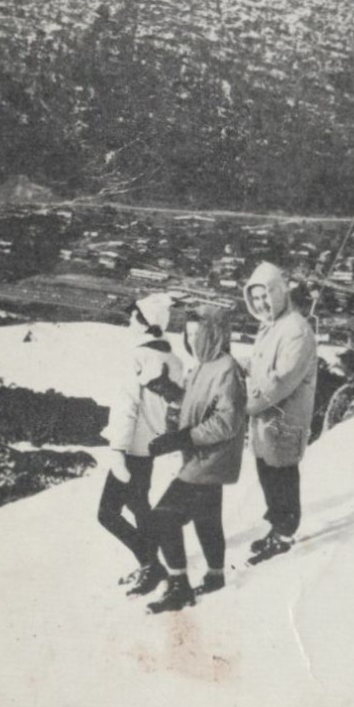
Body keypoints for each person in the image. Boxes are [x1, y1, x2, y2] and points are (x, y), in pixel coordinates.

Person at [142, 305, 247, 613]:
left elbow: (227, 422)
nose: (191, 339)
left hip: (212, 458)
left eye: (197, 333)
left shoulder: (227, 369)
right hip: (202, 455)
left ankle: (179, 586)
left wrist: (183, 438)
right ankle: (215, 576)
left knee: (162, 517)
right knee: (206, 517)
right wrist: (168, 391)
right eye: (187, 334)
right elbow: (192, 402)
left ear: (214, 334)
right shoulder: (203, 366)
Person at [98, 293, 184, 588]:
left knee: (107, 514)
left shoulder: (135, 357)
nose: (129, 320)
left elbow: (126, 408)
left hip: (130, 448)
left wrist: (117, 450)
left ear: (145, 322)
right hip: (149, 447)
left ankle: (151, 563)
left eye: (134, 315)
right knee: (139, 505)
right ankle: (151, 564)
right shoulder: (172, 360)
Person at [243, 262, 318, 560]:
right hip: (265, 420)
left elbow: (281, 380)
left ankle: (285, 533)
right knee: (267, 472)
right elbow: (261, 367)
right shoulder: (271, 327)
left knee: (282, 474)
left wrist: (244, 406)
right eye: (256, 298)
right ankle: (277, 527)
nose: (261, 303)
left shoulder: (296, 330)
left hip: (285, 418)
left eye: (266, 296)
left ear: (279, 293)